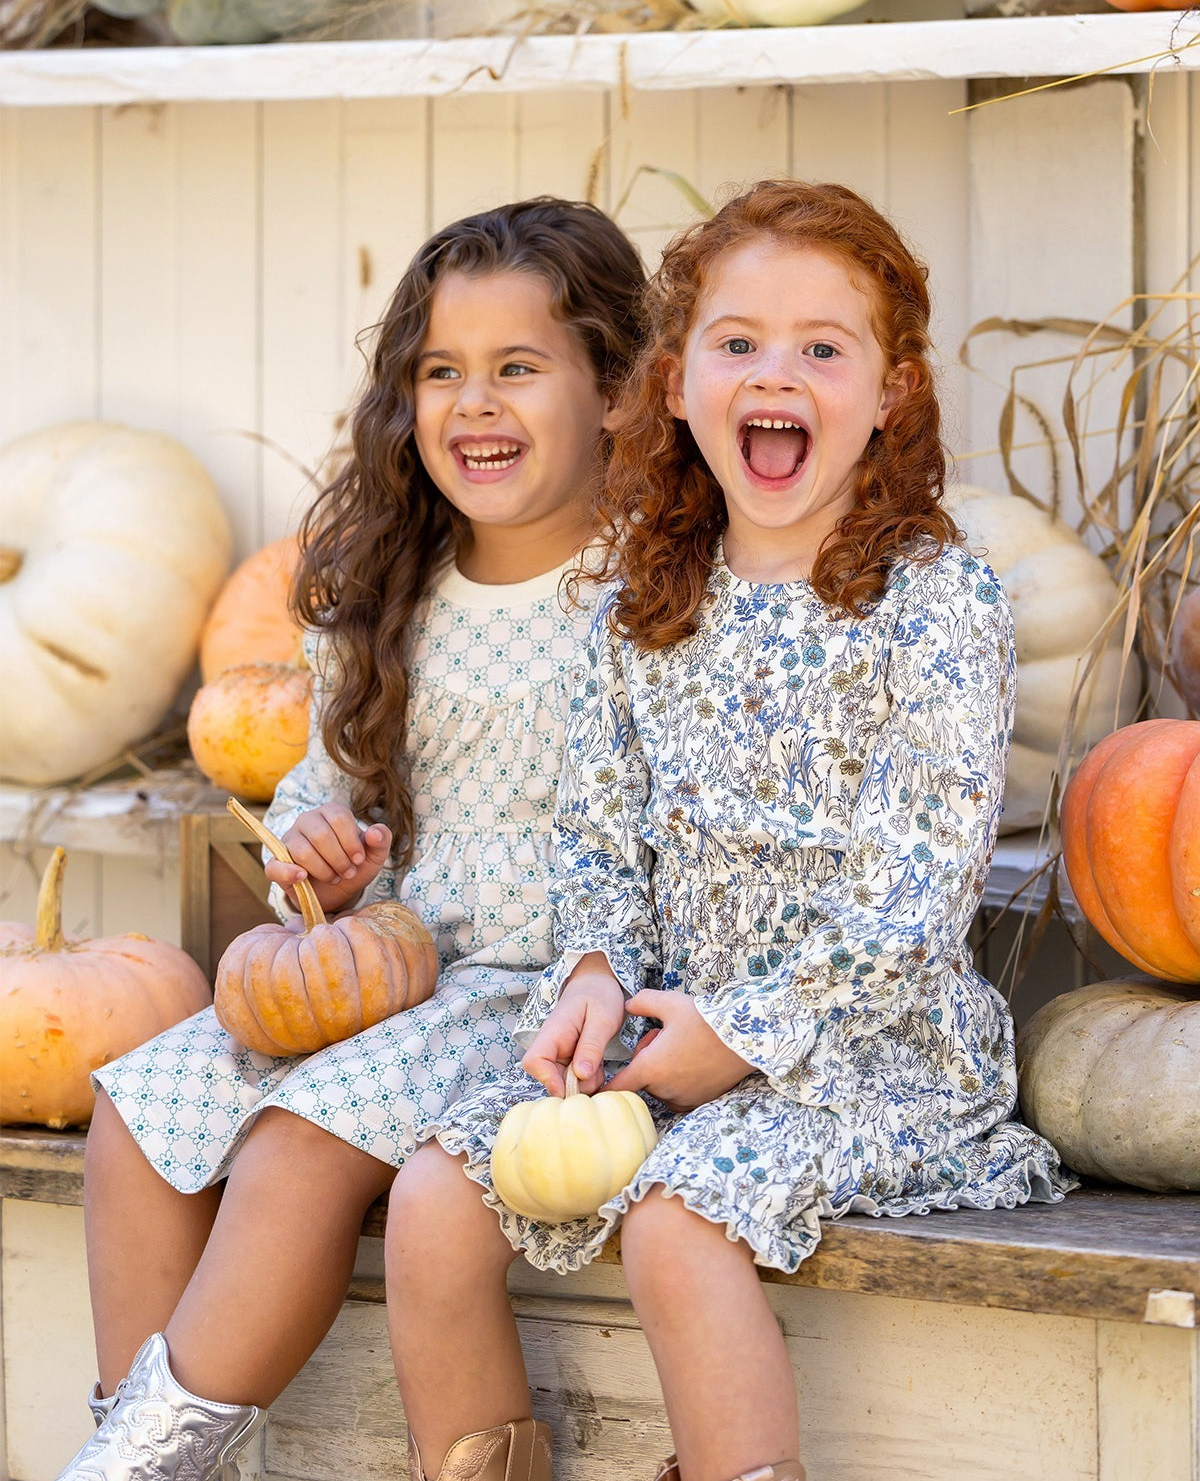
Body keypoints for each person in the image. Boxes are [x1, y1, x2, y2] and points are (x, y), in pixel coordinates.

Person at [385, 179, 1073, 1481]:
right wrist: (592, 971)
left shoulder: (932, 601)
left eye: (825, 347)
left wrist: (744, 1031)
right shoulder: (642, 601)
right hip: (667, 1033)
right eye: (739, 340)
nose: (778, 371)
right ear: (678, 379)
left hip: (873, 1053)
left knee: (674, 1221)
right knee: (432, 1200)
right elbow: (596, 834)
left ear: (893, 393)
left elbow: (914, 890)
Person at [57, 196, 646, 1481]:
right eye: (442, 372)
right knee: (138, 1108)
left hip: (548, 986)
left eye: (517, 369)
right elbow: (333, 795)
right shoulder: (389, 588)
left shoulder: (650, 589)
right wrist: (320, 851)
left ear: (614, 390)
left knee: (295, 1141)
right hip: (390, 962)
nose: (474, 404)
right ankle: (143, 1452)